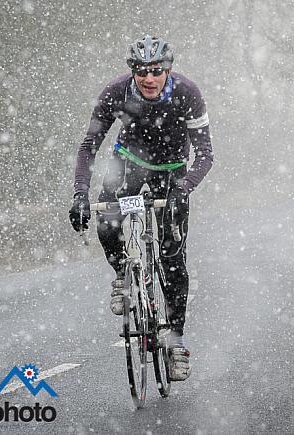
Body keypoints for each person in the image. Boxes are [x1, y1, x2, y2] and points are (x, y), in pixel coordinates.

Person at [68, 35, 213, 380]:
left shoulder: (187, 93)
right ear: (132, 71)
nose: (149, 78)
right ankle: (122, 274)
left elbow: (206, 155)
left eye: (156, 70)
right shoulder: (116, 92)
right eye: (141, 71)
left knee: (173, 260)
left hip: (173, 172)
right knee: (107, 219)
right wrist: (79, 194)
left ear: (168, 69)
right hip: (129, 163)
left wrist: (185, 187)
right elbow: (89, 145)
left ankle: (175, 340)